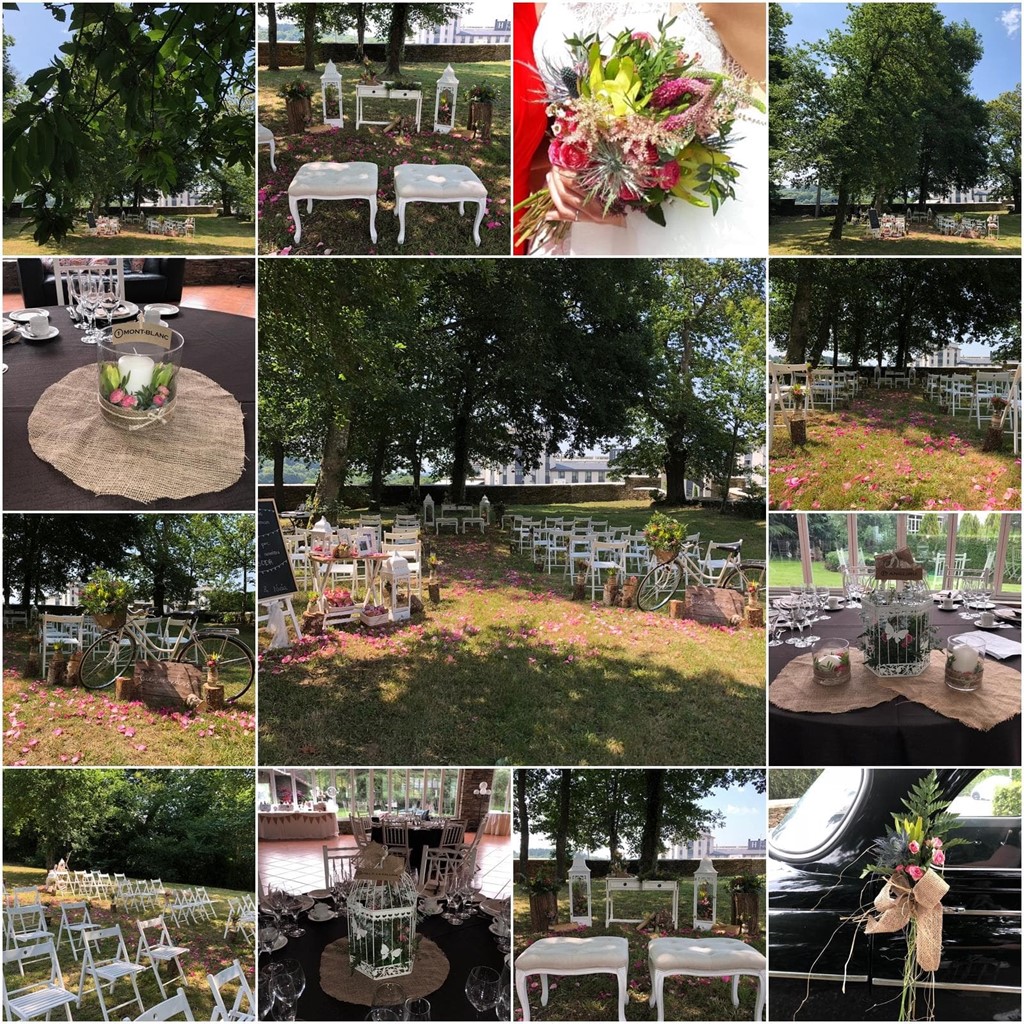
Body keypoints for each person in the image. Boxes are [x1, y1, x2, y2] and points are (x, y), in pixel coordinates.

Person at [517, 1, 767, 255]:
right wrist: (565, 164)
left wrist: (655, 156)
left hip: (682, 215)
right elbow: (543, 126)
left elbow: (767, 96)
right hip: (571, 215)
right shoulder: (540, 5)